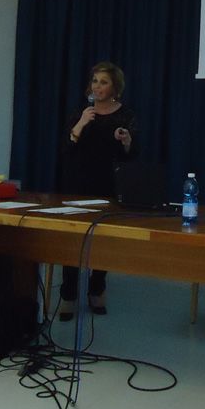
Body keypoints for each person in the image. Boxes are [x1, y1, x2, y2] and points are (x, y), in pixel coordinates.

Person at [57, 61, 136, 321]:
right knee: (72, 239)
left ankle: (97, 289)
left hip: (107, 183)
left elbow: (132, 155)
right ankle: (68, 294)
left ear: (114, 87)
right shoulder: (82, 112)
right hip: (77, 182)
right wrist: (81, 124)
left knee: (102, 239)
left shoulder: (125, 115)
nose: (97, 87)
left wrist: (126, 141)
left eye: (103, 82)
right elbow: (67, 148)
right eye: (94, 81)